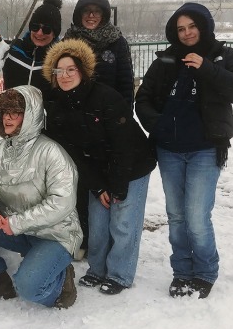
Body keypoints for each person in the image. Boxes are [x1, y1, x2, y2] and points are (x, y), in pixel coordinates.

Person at [135, 3, 233, 298]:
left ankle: (204, 271)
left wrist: (208, 68)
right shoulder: (165, 59)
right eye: (180, 28)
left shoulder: (225, 56)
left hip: (205, 149)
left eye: (191, 26)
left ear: (203, 26)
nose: (187, 33)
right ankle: (182, 270)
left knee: (197, 215)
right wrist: (159, 125)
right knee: (176, 215)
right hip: (169, 149)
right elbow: (144, 99)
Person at [42, 40, 156, 295]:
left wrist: (117, 186)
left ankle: (119, 274)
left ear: (82, 71)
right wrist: (97, 185)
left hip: (132, 164)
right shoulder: (56, 106)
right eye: (60, 71)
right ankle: (97, 269)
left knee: (123, 221)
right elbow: (71, 153)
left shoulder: (105, 97)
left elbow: (123, 143)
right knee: (98, 222)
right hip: (96, 168)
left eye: (71, 69)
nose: (65, 76)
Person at [0, 86, 79, 309]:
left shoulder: (51, 152)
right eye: (4, 112)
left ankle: (61, 280)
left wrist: (17, 222)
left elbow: (63, 202)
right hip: (15, 230)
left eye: (16, 112)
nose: (8, 118)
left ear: (30, 115)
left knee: (29, 288)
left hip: (54, 235)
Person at [65, 0, 134, 104]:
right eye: (86, 11)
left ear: (103, 16)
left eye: (97, 11)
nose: (91, 15)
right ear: (79, 14)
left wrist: (124, 115)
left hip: (108, 111)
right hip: (76, 112)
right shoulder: (69, 41)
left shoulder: (117, 42)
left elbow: (125, 83)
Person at [3, 0, 63, 92]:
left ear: (54, 34)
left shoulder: (61, 60)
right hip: (9, 107)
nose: (39, 33)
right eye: (35, 27)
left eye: (46, 29)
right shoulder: (11, 48)